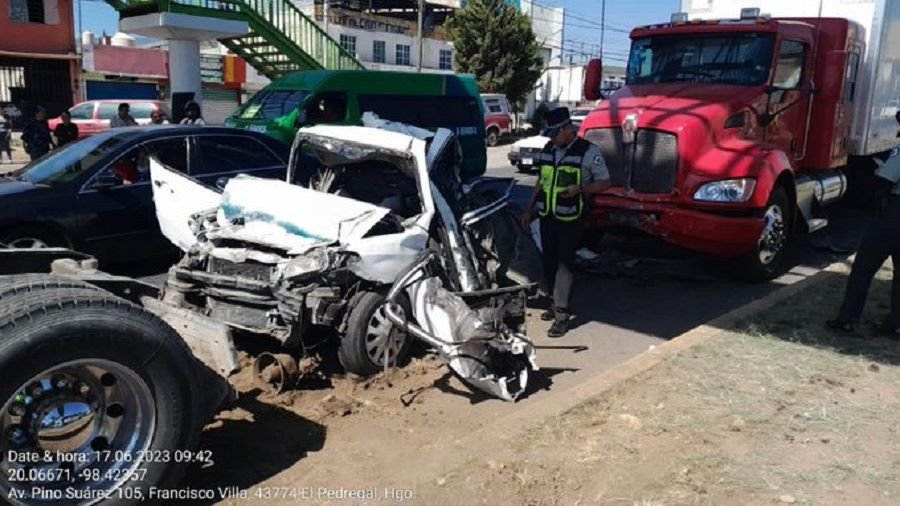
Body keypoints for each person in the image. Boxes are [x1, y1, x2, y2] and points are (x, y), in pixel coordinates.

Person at [520, 107, 611, 338]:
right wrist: (529, 210)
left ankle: (562, 315)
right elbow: (541, 181)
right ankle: (553, 303)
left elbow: (605, 182)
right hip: (548, 216)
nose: (552, 138)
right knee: (549, 262)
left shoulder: (588, 152)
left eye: (555, 133)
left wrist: (580, 189)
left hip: (571, 219)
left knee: (564, 265)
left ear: (567, 128)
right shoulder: (549, 149)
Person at [827, 114, 900, 337]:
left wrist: (879, 207)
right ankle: (896, 325)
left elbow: (883, 182)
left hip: (894, 216)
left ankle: (848, 319)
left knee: (864, 267)